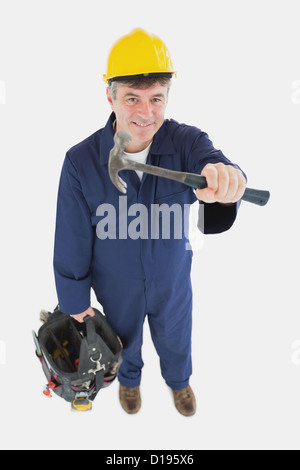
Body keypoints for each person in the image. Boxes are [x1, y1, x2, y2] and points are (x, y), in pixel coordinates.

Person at [53, 28, 246, 417]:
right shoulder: (81, 161)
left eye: (156, 99)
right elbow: (71, 236)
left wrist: (227, 179)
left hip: (172, 280)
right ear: (110, 95)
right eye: (132, 99)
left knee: (176, 338)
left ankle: (179, 383)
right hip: (115, 283)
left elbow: (216, 163)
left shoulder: (187, 143)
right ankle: (129, 383)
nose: (145, 113)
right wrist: (74, 301)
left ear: (167, 97)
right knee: (123, 342)